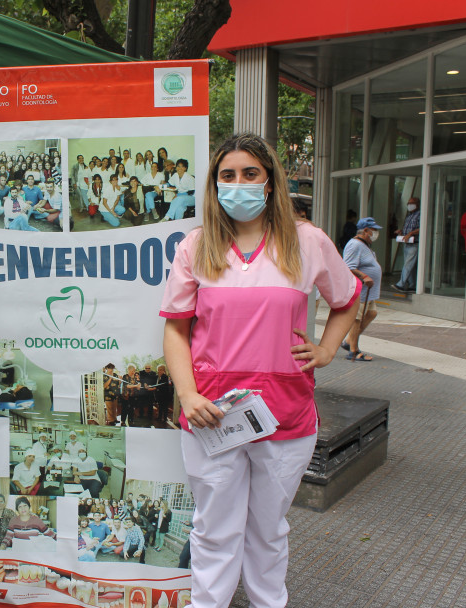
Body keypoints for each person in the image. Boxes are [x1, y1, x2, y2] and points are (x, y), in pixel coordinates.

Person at [160, 133, 359, 608]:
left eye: (250, 173)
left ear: (270, 182)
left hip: (285, 414)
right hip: (212, 414)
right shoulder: (197, 247)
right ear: (214, 183)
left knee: (268, 530)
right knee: (214, 529)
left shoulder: (307, 242)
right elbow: (176, 330)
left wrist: (328, 349)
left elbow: (346, 299)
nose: (239, 184)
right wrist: (187, 395)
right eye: (227, 175)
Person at [342, 217, 383, 362]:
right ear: (365, 230)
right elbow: (348, 266)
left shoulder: (364, 245)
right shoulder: (355, 245)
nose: (376, 233)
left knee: (371, 313)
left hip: (369, 292)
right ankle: (353, 350)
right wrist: (364, 276)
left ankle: (348, 341)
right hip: (361, 290)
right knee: (357, 319)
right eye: (374, 230)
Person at [393, 197, 421, 292]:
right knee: (411, 266)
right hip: (407, 243)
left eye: (411, 203)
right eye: (408, 203)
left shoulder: (420, 214)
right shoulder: (409, 216)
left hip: (414, 243)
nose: (409, 205)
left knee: (407, 264)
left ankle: (401, 284)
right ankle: (412, 285)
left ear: (417, 204)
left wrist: (411, 233)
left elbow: (422, 228)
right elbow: (408, 229)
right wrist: (402, 232)